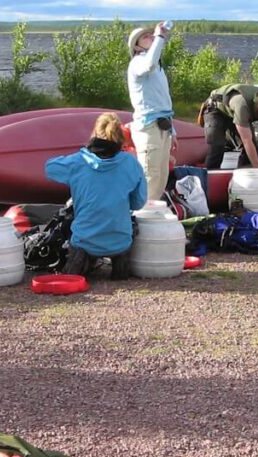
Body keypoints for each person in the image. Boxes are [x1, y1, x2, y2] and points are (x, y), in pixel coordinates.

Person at [44, 112, 147, 280]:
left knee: (75, 234)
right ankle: (119, 270)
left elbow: (49, 168)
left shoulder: (78, 161)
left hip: (85, 241)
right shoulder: (131, 163)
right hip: (120, 241)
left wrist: (78, 158)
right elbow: (138, 203)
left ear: (95, 134)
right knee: (127, 227)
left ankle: (82, 265)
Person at [127, 22, 177, 202]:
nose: (151, 37)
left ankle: (152, 215)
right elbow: (149, 64)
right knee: (150, 174)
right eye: (145, 37)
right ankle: (142, 216)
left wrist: (173, 130)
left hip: (163, 125)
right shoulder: (139, 62)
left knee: (161, 176)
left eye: (151, 35)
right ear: (137, 45)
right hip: (148, 126)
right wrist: (160, 37)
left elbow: (162, 101)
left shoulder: (156, 67)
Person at [201, 84, 258, 170]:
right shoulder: (242, 105)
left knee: (251, 149)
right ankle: (210, 175)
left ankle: (246, 174)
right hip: (216, 109)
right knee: (217, 145)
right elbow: (247, 140)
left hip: (233, 112)